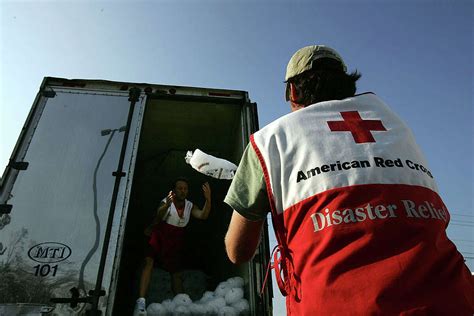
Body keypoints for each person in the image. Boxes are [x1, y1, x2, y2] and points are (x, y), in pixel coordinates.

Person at [224, 45, 474, 315]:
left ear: (293, 92)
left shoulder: (271, 140)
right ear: (349, 87)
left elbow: (238, 251)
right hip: (451, 301)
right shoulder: (395, 125)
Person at [134, 177, 211, 316]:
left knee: (176, 274)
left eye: (185, 189)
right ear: (174, 190)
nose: (183, 191)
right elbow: (159, 214)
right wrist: (166, 205)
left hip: (175, 242)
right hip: (160, 236)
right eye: (180, 188)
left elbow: (203, 215)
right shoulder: (167, 201)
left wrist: (208, 199)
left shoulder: (189, 206)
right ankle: (140, 303)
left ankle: (181, 307)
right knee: (148, 263)